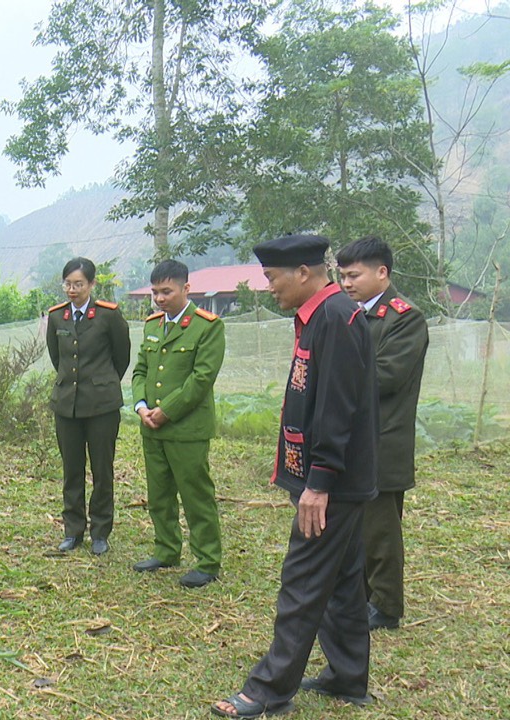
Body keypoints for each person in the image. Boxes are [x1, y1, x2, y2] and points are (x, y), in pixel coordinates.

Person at [212, 234, 378, 718]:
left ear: (303, 273)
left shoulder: (335, 318)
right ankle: (348, 676)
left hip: (333, 485)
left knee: (302, 582)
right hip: (327, 481)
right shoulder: (318, 316)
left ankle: (268, 689)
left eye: (272, 278)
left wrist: (319, 483)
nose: (269, 288)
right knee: (344, 582)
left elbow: (338, 409)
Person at [336, 236, 429, 631]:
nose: (346, 284)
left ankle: (387, 606)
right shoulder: (351, 314)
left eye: (354, 275)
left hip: (384, 439)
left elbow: (387, 376)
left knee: (381, 529)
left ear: (382, 273)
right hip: (354, 439)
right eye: (342, 276)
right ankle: (361, 594)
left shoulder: (405, 318)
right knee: (355, 527)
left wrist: (337, 378)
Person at [131, 260, 226, 588]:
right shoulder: (152, 325)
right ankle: (166, 549)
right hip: (151, 427)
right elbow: (141, 370)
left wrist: (166, 411)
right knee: (159, 493)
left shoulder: (207, 326)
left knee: (195, 493)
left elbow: (201, 379)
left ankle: (208, 560)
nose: (159, 298)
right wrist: (141, 406)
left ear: (186, 288)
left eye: (166, 291)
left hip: (186, 429)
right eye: (155, 292)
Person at [45, 257, 131, 555]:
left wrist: (103, 384)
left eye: (78, 284)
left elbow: (122, 357)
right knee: (72, 470)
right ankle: (73, 530)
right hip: (66, 405)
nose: (72, 290)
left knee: (102, 470)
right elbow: (58, 359)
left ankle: (100, 532)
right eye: (68, 284)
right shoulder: (57, 317)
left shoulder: (108, 315)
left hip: (102, 407)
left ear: (92, 284)